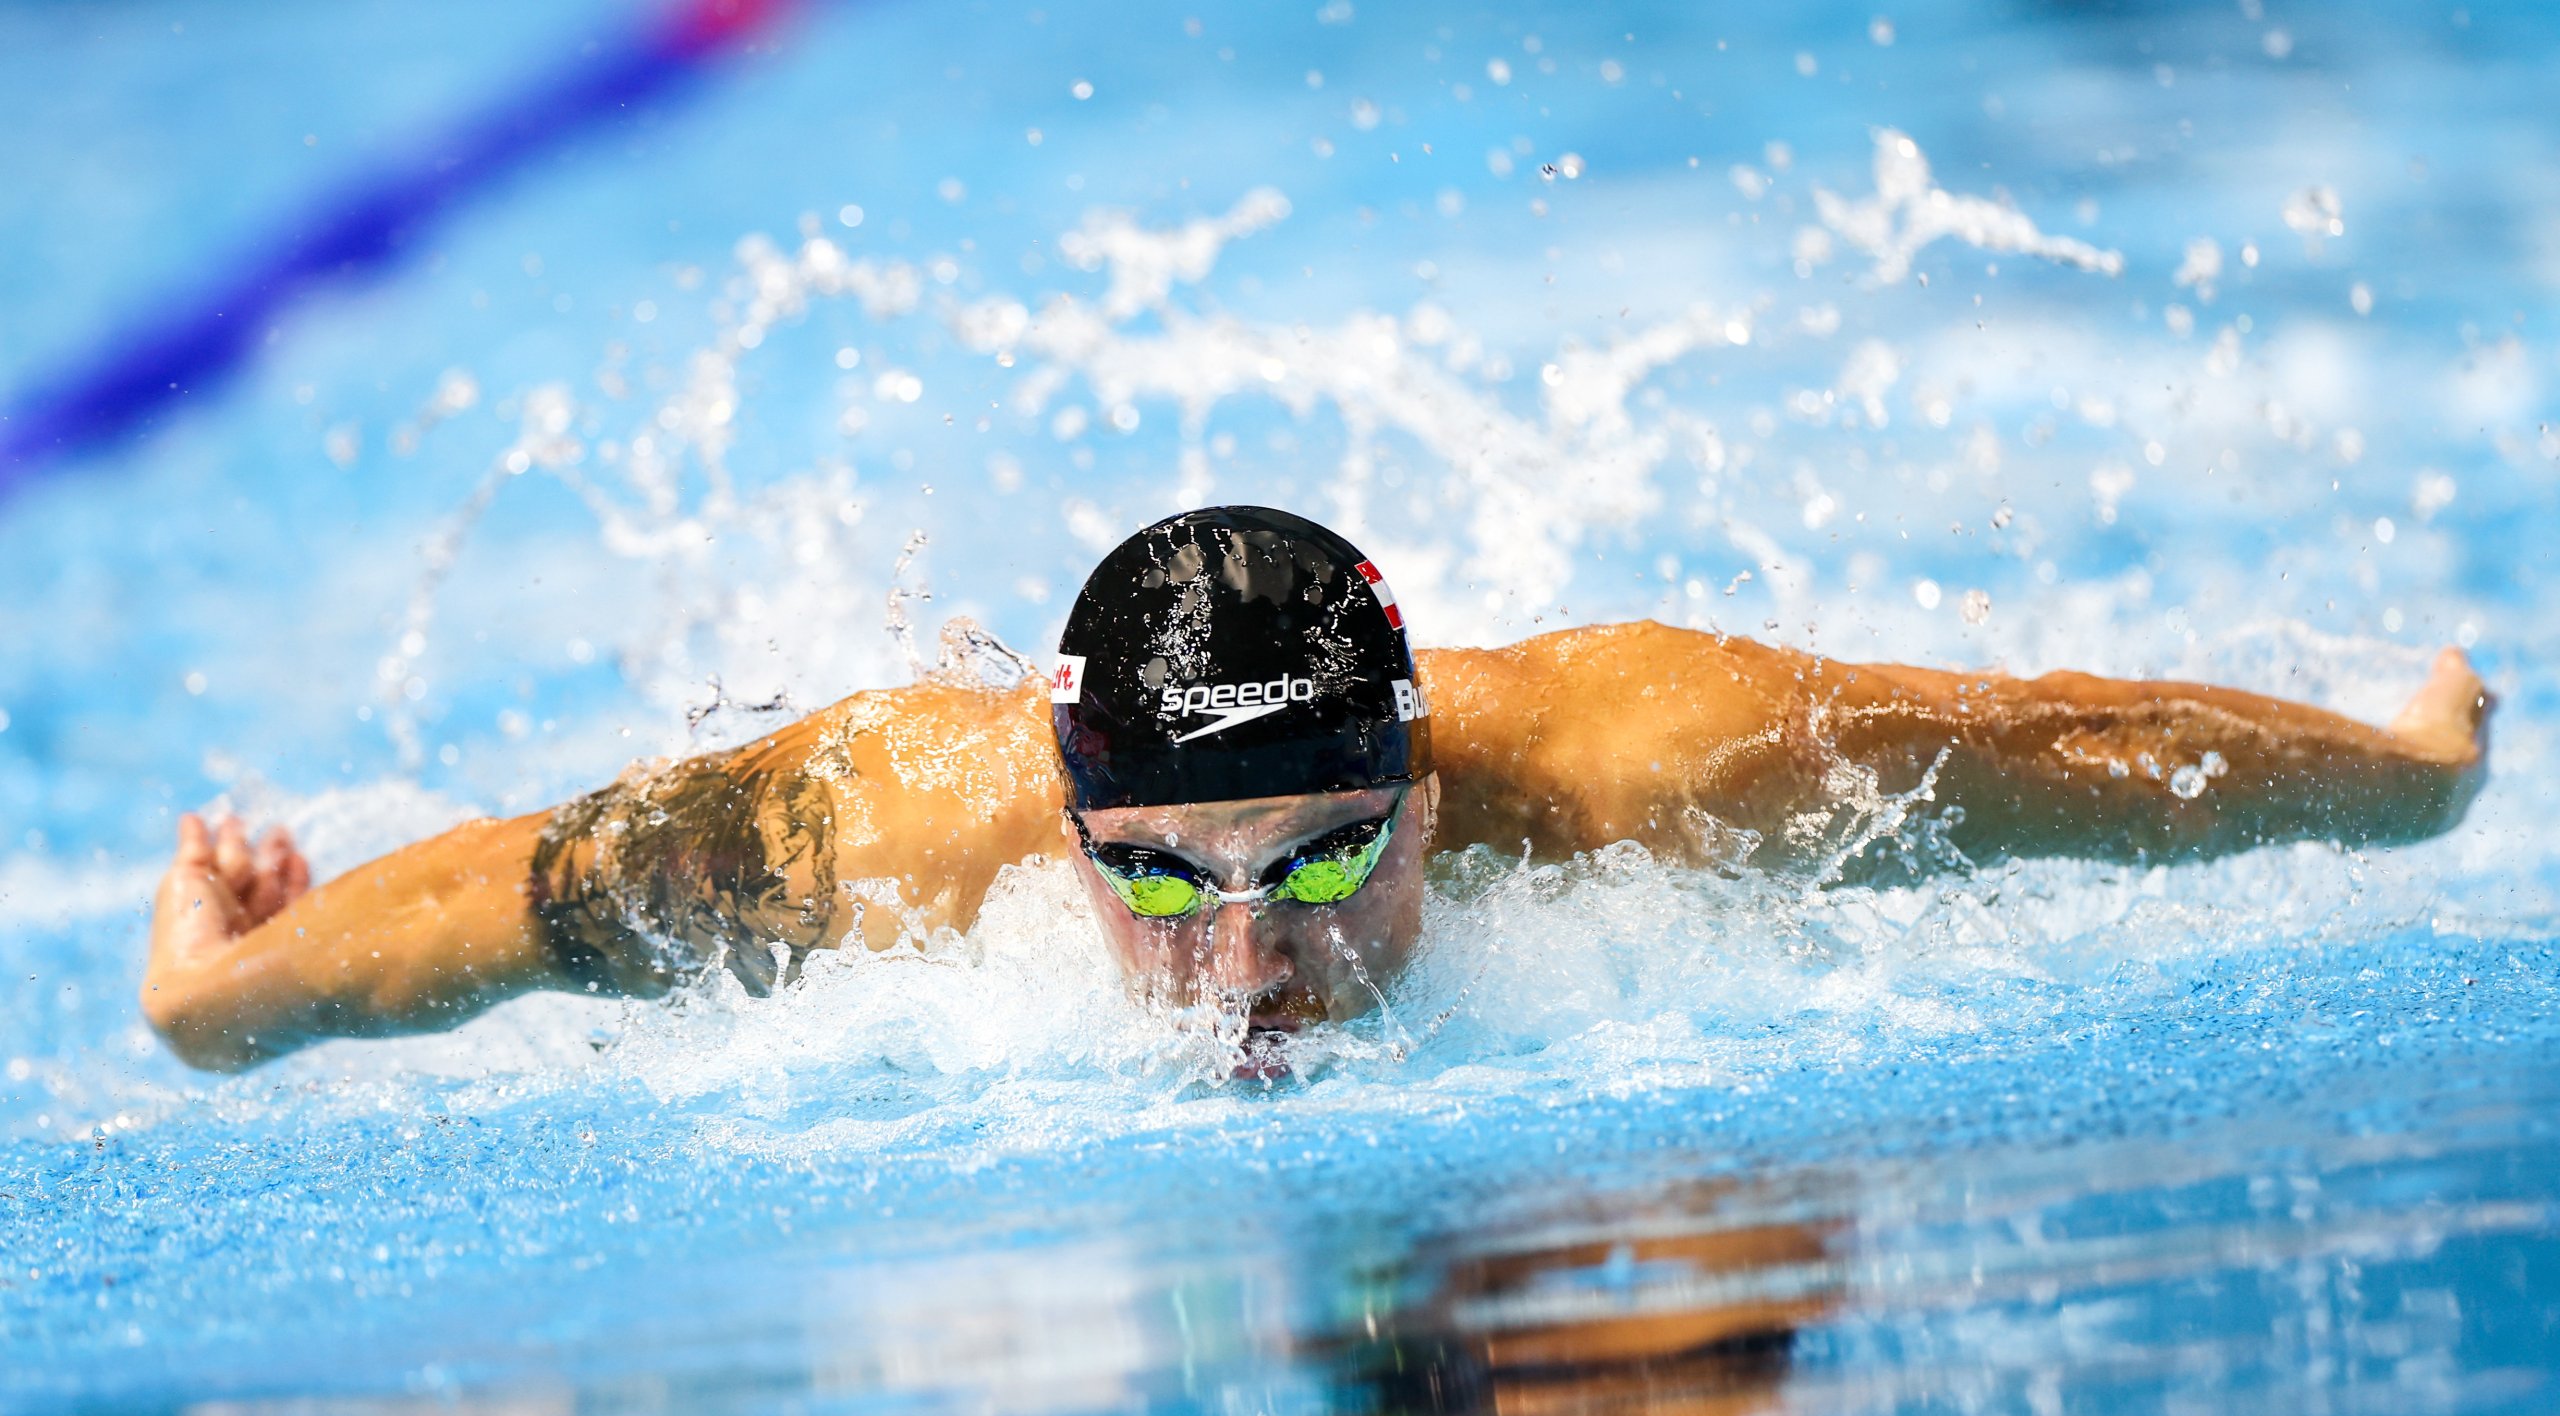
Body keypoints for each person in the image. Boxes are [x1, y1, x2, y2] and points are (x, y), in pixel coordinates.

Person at [143, 506, 2493, 1074]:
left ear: (1431, 786)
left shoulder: (1662, 765)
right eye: (1156, 881)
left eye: (1330, 857)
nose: (1246, 970)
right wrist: (215, 997)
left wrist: (2402, 780)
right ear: (1062, 827)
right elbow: (503, 903)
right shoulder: (870, 831)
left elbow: (2084, 753)